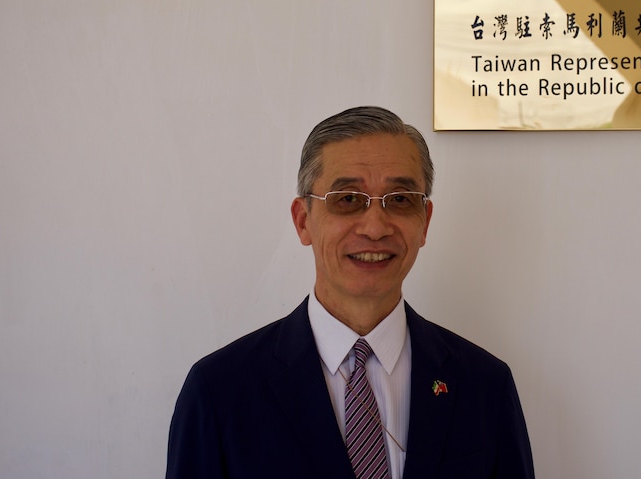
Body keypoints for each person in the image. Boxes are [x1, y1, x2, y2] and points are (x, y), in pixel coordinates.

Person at [166, 106, 535, 478]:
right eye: (347, 200)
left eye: (400, 199)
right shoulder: (219, 391)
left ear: (425, 222)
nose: (375, 228)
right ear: (302, 221)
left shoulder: (485, 386)